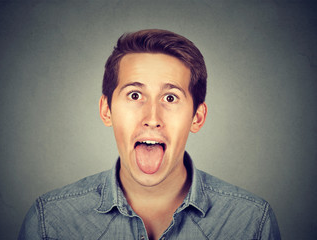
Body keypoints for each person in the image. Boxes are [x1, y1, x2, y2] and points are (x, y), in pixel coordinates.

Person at [18, 29, 281, 240]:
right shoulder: (50, 221)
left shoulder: (251, 222)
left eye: (170, 97)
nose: (152, 118)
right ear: (106, 110)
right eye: (135, 95)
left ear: (197, 117)